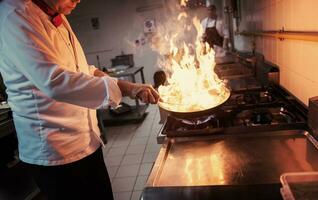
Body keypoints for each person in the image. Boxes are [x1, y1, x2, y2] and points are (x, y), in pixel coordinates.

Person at [0, 0, 160, 199]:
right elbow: (55, 81)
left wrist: (131, 87)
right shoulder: (15, 15)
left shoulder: (56, 14)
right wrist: (123, 88)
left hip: (86, 141)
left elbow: (82, 70)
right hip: (56, 152)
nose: (78, 0)